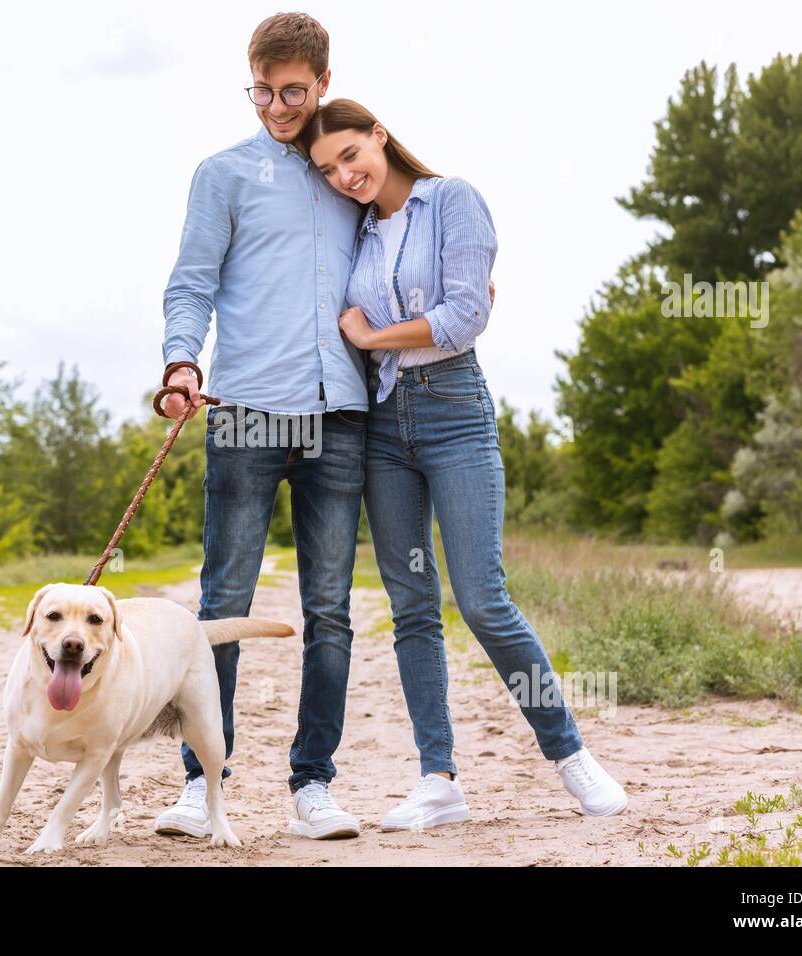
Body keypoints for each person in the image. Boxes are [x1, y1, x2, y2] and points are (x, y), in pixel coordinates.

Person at [301, 99, 629, 831]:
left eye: (351, 155)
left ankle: (571, 753)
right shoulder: (355, 232)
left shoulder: (452, 200)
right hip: (383, 426)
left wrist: (373, 334)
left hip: (454, 414)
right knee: (412, 607)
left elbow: (463, 319)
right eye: (328, 169)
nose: (344, 175)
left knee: (482, 599)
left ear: (380, 135)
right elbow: (403, 317)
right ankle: (438, 779)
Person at [156, 12, 367, 839]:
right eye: (262, 91)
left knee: (332, 607)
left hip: (340, 416)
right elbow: (190, 284)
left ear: (321, 81)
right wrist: (180, 362)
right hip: (243, 411)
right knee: (223, 601)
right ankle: (199, 784)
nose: (277, 107)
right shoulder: (224, 175)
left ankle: (313, 784)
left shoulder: (349, 170)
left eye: (292, 91)